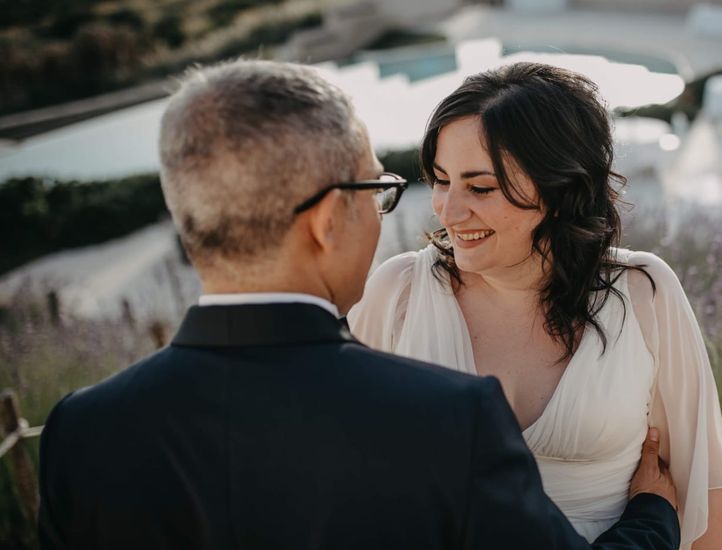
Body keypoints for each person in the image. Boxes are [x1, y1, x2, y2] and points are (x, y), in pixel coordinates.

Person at [37, 59, 681, 550]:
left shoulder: (82, 431)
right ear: (324, 222)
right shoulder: (448, 421)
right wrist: (653, 517)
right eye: (378, 187)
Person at [348, 62, 722, 549]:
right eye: (441, 180)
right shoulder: (396, 293)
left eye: (481, 187)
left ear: (559, 188)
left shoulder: (645, 294)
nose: (447, 210)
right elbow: (343, 486)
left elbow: (710, 499)